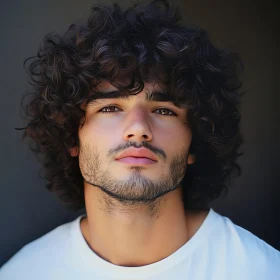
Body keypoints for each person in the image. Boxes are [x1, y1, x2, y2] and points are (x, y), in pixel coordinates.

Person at [1, 0, 279, 279]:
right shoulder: (24, 273)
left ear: (195, 141)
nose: (137, 129)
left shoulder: (261, 270)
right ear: (72, 137)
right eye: (109, 108)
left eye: (163, 110)